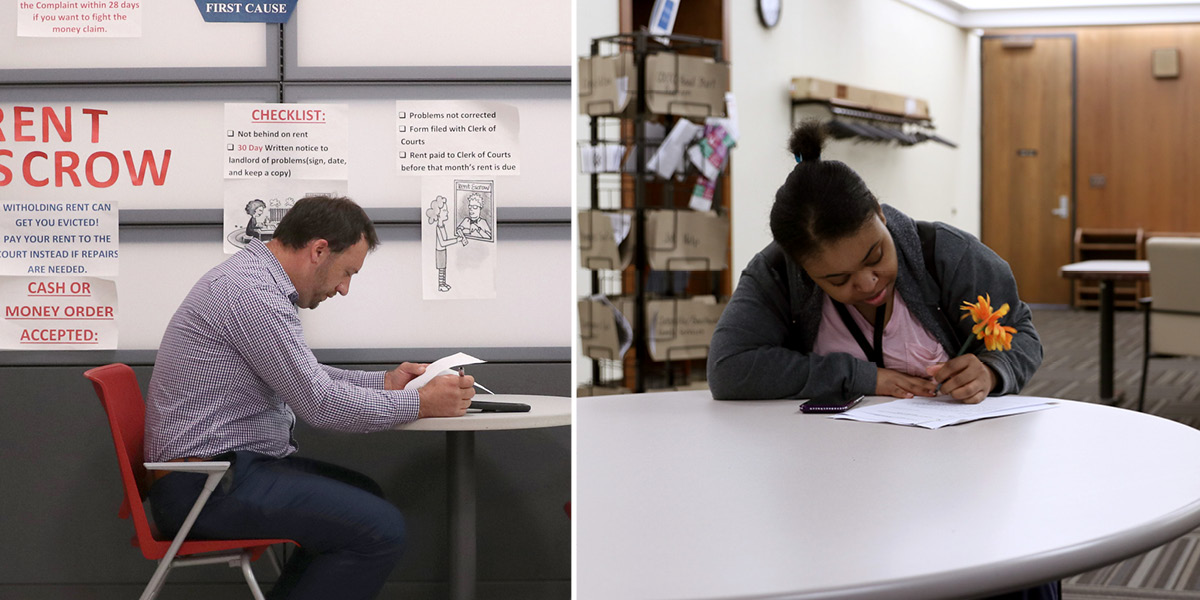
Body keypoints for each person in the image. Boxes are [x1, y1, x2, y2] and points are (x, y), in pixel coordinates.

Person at [708, 122, 1054, 599]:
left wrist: (994, 371)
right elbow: (730, 368)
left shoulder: (947, 254)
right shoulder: (775, 274)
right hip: (834, 480)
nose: (868, 284)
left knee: (1010, 569)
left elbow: (1022, 335)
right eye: (838, 279)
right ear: (802, 267)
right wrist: (864, 376)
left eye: (876, 256)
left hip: (960, 475)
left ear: (880, 214)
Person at [145, 195, 476, 600]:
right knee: (378, 527)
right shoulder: (251, 295)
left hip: (220, 474)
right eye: (347, 272)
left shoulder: (255, 281)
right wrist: (421, 403)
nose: (344, 288)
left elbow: (306, 376)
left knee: (366, 497)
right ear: (319, 250)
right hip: (204, 488)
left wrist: (387, 382)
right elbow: (319, 403)